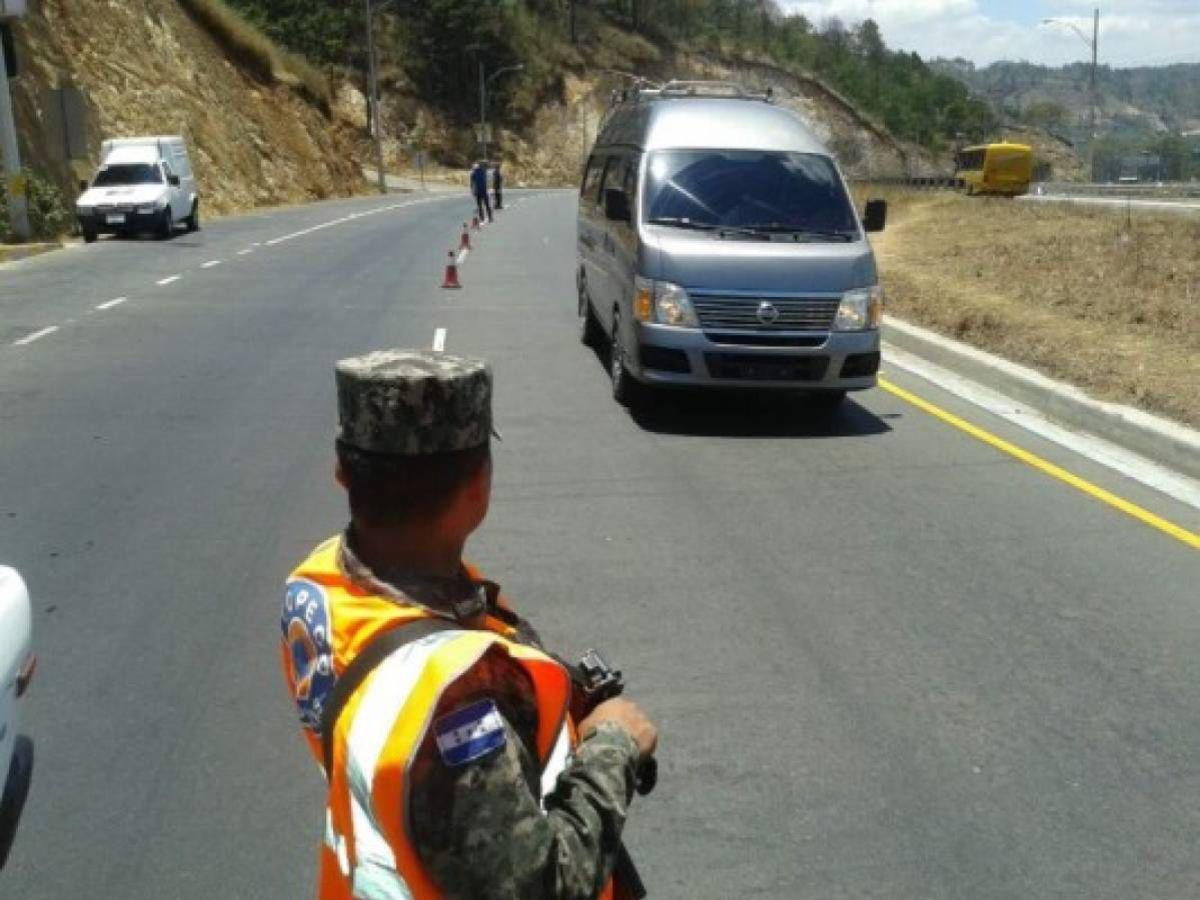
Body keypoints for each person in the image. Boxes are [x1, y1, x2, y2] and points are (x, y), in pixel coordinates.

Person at [280, 349, 658, 900]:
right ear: (479, 487)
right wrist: (615, 747)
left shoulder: (314, 589)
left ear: (342, 471)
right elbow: (540, 888)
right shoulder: (458, 701)